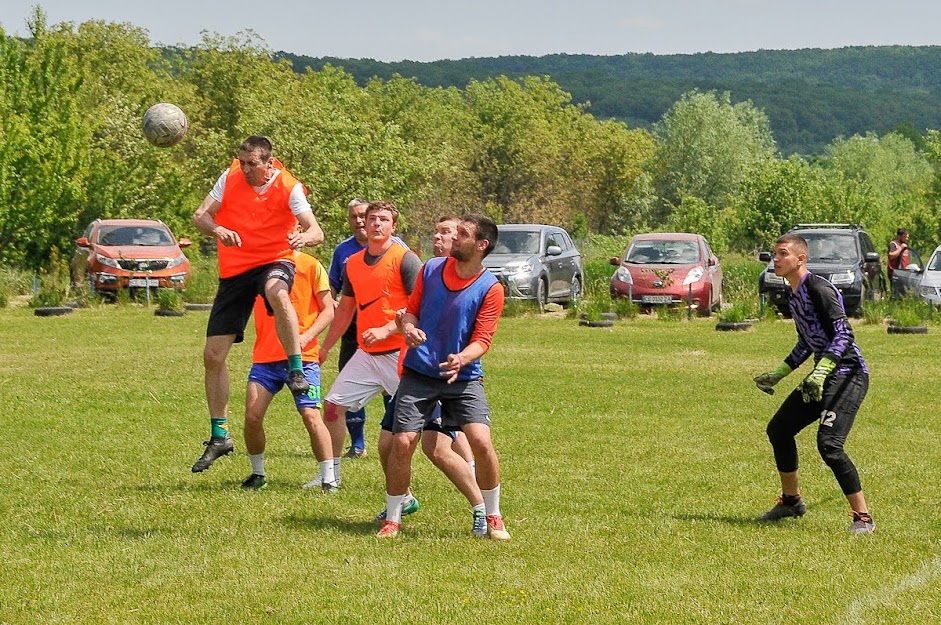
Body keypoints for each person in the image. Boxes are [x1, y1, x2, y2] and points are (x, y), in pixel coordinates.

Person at [190, 135, 324, 473]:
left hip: (274, 259)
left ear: (269, 164)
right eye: (243, 162)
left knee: (277, 291)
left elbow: (315, 231)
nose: (246, 169)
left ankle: (295, 368)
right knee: (212, 356)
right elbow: (199, 216)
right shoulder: (230, 176)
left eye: (253, 164)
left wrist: (302, 237)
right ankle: (219, 435)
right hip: (236, 267)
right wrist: (218, 229)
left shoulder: (289, 187)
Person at [379, 214, 510, 540]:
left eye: (462, 234)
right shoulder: (431, 268)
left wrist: (462, 358)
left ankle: (493, 515)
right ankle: (393, 520)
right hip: (419, 373)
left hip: (463, 378)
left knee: (480, 441)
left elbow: (483, 339)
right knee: (403, 442)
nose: (453, 238)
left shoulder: (490, 288)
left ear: (481, 245)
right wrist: (407, 328)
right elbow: (412, 310)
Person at [753, 233, 875, 534]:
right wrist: (780, 372)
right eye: (774, 255)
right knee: (779, 429)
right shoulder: (794, 295)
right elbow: (807, 341)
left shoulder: (819, 289)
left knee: (829, 445)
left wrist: (822, 372)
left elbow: (844, 334)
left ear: (800, 259)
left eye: (782, 254)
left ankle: (863, 519)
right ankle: (792, 501)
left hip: (848, 373)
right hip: (824, 372)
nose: (776, 260)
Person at [373, 216, 479, 525]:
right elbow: (412, 313)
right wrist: (404, 321)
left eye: (448, 232)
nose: (440, 236)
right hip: (413, 371)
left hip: (438, 374)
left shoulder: (467, 282)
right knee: (388, 444)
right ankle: (403, 499)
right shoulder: (429, 271)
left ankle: (482, 508)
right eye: (438, 231)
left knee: (436, 448)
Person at [318, 200, 422, 490]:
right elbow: (345, 310)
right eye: (372, 218)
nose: (376, 224)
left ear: (394, 226)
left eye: (383, 219)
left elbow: (420, 307)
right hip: (367, 355)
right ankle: (331, 477)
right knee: (331, 407)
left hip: (401, 355)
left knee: (432, 428)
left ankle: (468, 466)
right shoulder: (352, 263)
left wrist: (388, 329)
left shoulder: (405, 259)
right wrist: (325, 347)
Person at [240, 251, 338, 492]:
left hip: (303, 359)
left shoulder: (311, 265)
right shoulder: (258, 263)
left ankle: (329, 478)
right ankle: (258, 473)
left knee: (310, 415)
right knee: (252, 417)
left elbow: (329, 310)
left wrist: (306, 337)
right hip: (266, 358)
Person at [888, 228, 910, 298]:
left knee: (904, 295)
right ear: (899, 236)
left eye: (907, 237)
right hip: (895, 273)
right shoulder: (894, 244)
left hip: (904, 274)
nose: (906, 239)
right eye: (904, 237)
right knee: (896, 295)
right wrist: (900, 248)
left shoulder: (905, 247)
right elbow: (891, 256)